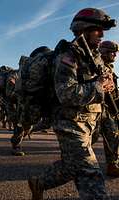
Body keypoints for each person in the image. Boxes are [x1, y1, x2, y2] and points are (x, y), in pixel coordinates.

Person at [28, 8, 116, 200]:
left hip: (90, 122)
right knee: (90, 174)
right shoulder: (68, 56)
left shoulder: (94, 55)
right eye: (97, 29)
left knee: (71, 166)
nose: (102, 34)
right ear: (83, 28)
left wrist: (105, 83)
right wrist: (99, 86)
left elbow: (99, 81)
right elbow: (66, 94)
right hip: (71, 123)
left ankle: (39, 183)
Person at [93, 40, 119, 177]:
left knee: (113, 135)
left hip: (108, 109)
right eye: (112, 52)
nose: (115, 55)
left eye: (115, 52)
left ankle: (112, 165)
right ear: (103, 52)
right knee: (90, 138)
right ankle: (74, 163)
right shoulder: (95, 64)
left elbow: (113, 92)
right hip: (94, 108)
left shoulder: (110, 68)